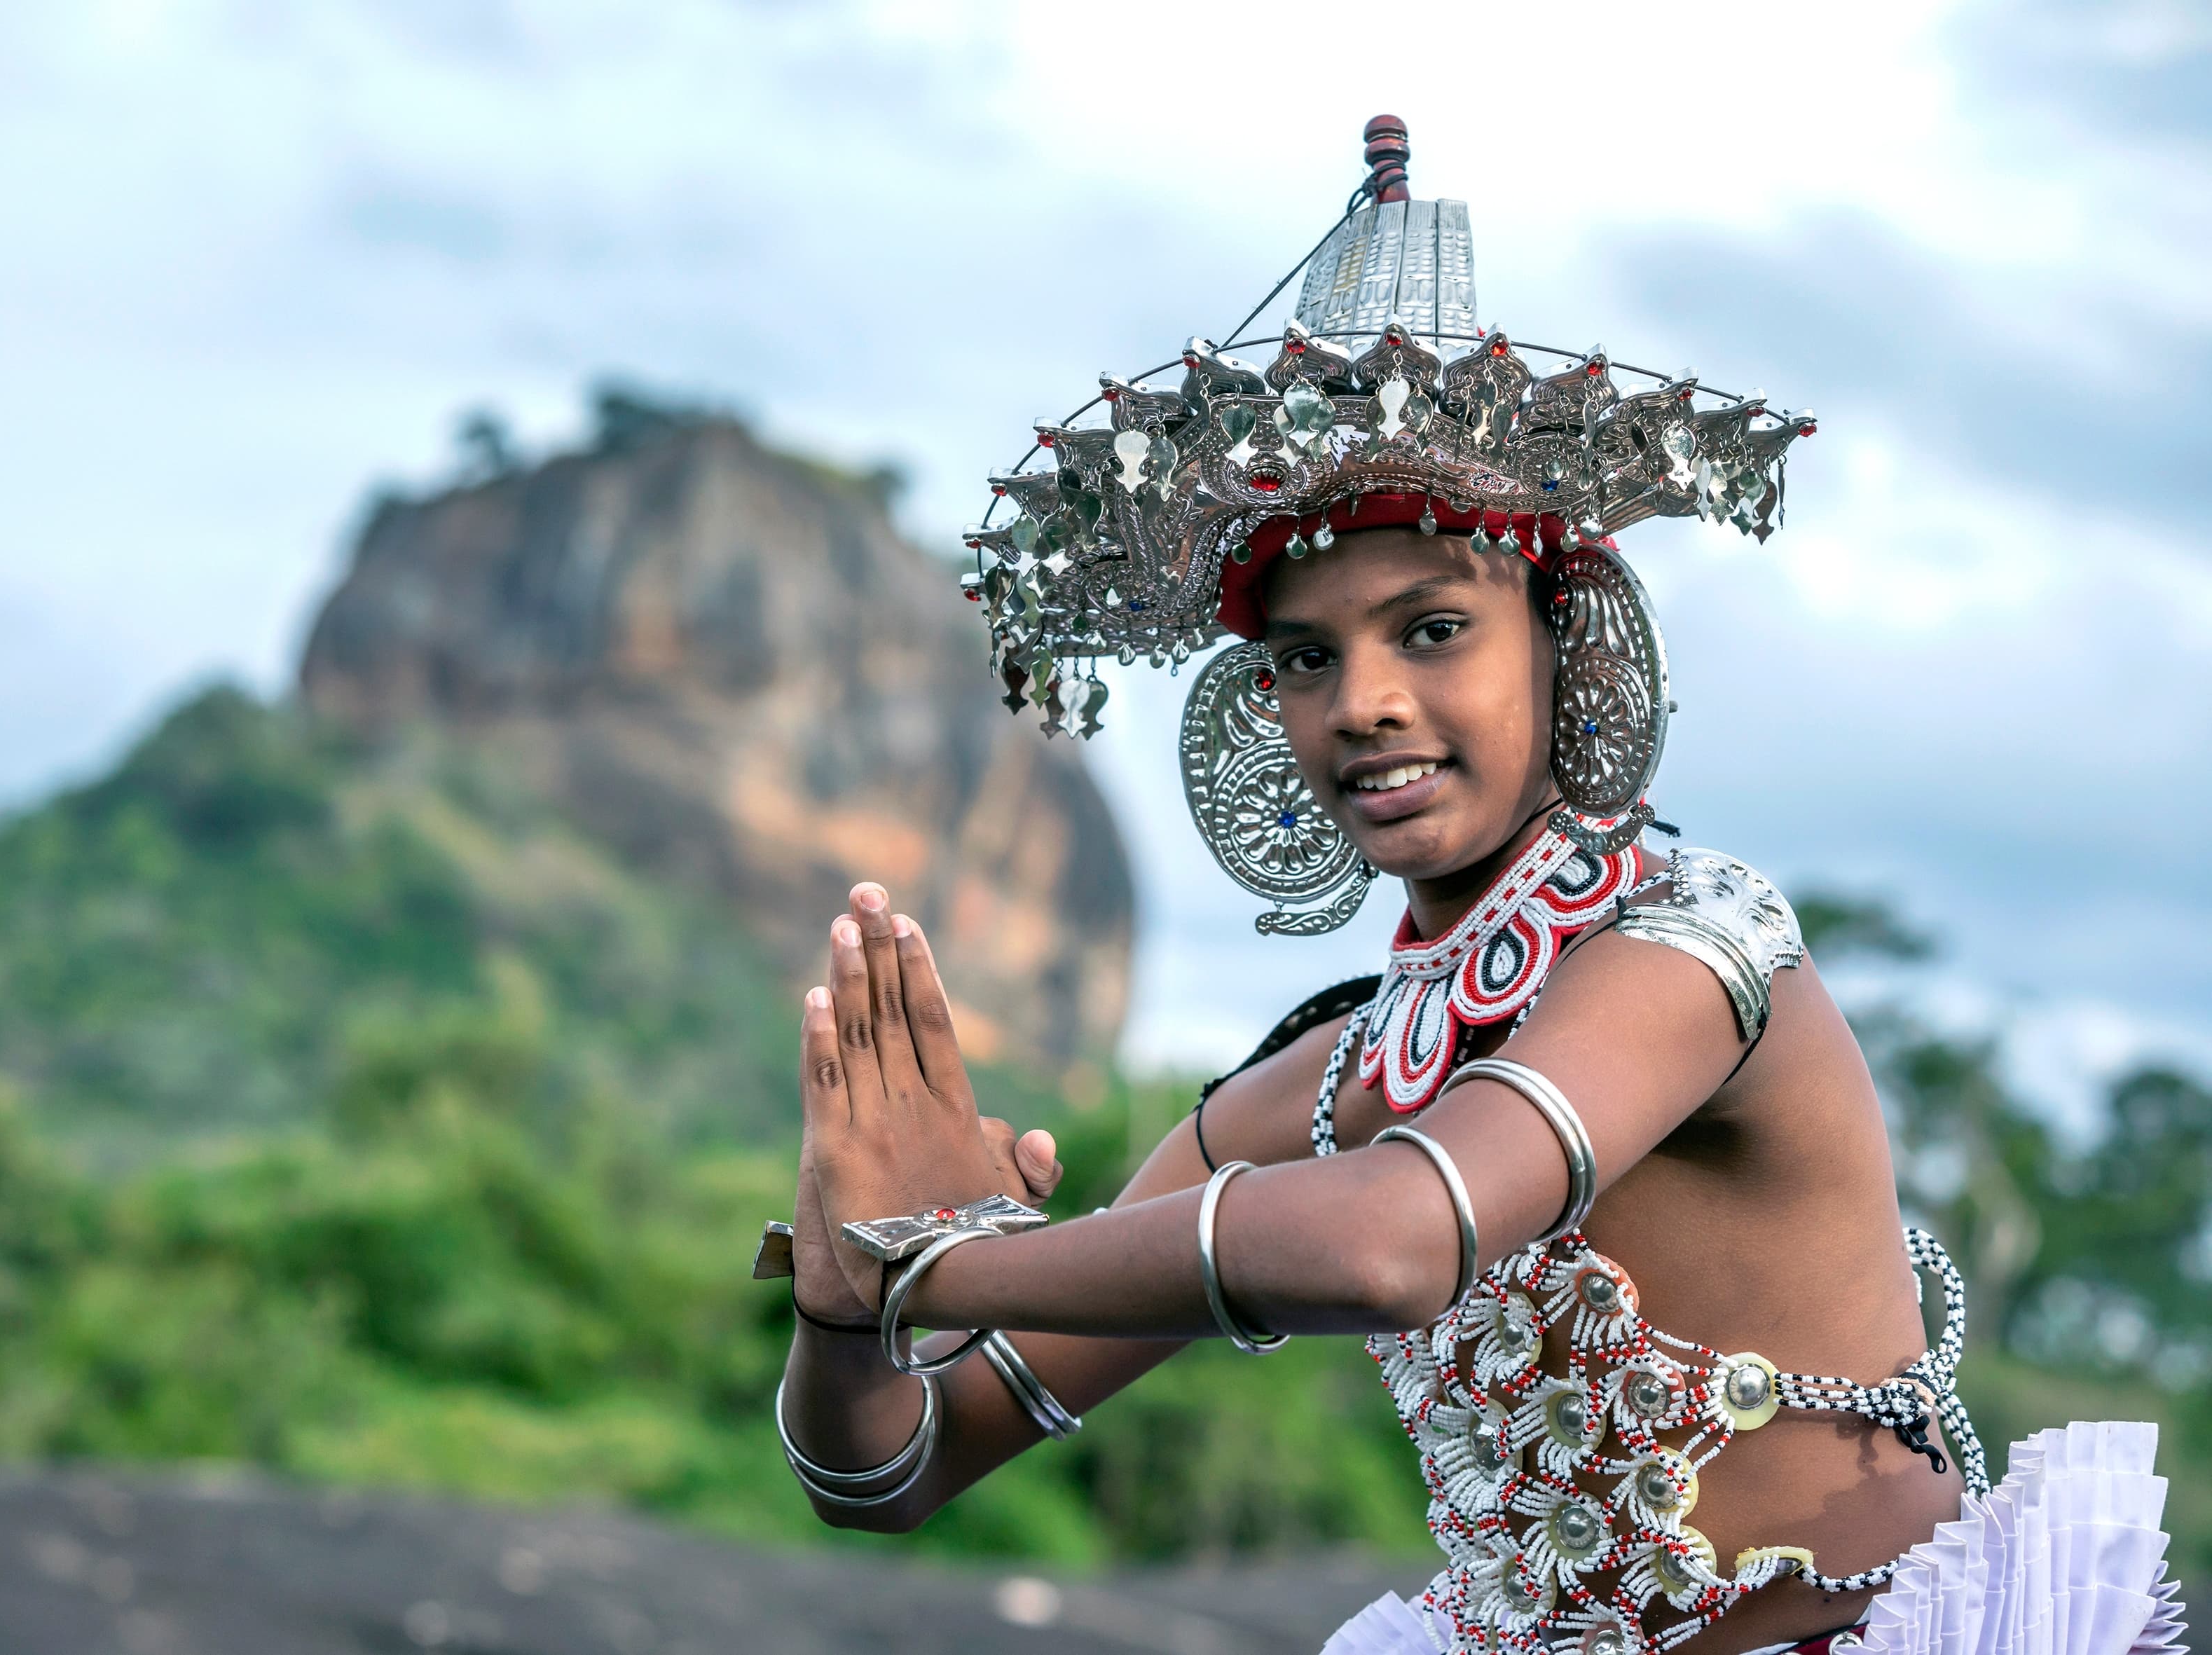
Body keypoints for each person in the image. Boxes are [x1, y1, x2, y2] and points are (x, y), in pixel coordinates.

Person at [758, 118, 2183, 1655]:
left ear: (1561, 638)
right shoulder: (1309, 1084)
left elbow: (1392, 1242)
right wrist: (849, 1295)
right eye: (1307, 657)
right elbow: (895, 1468)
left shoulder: (1689, 953)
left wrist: (946, 1256)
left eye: (1429, 627)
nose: (1361, 699)